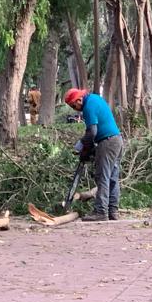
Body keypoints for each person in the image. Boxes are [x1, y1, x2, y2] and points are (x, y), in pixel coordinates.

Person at [63, 88, 123, 222]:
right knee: (112, 176)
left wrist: (84, 149)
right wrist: (85, 146)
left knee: (102, 176)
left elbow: (92, 132)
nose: (75, 109)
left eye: (74, 105)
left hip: (107, 141)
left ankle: (101, 211)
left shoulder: (88, 107)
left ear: (79, 99)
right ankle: (113, 211)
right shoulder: (95, 99)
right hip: (116, 140)